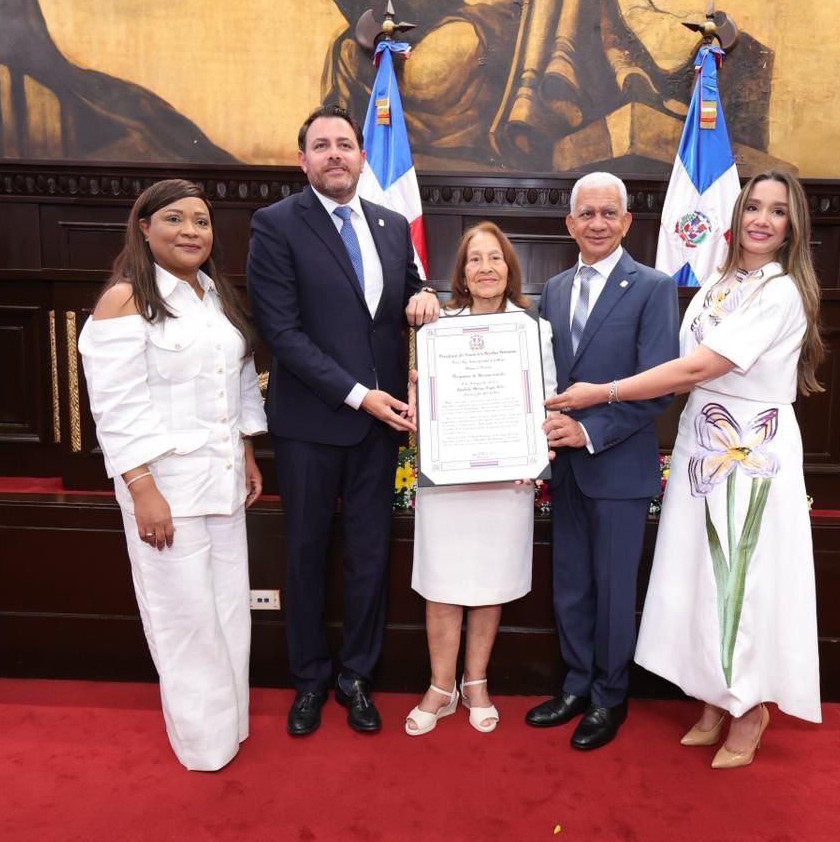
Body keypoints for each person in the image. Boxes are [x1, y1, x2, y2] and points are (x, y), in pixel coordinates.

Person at [545, 169, 826, 768]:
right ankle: (715, 698)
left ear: (791, 226)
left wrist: (602, 394)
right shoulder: (718, 284)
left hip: (750, 448)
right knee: (700, 575)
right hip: (703, 444)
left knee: (742, 581)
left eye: (777, 212)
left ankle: (749, 709)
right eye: (753, 206)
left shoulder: (779, 291)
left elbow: (693, 368)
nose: (761, 220)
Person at [245, 105, 441, 736]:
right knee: (304, 553)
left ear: (362, 157)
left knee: (368, 555)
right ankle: (308, 680)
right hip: (312, 424)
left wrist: (428, 293)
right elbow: (282, 332)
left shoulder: (389, 224)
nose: (335, 154)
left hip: (380, 430)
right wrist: (359, 394)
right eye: (321, 146)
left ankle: (356, 676)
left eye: (345, 145)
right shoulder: (275, 225)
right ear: (302, 160)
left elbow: (410, 289)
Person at [78, 179, 266, 772]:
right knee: (184, 619)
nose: (191, 231)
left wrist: (249, 452)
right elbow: (115, 404)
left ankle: (230, 725)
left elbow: (237, 380)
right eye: (176, 219)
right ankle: (203, 745)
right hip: (166, 491)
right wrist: (142, 489)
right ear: (145, 227)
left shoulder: (214, 295)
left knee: (229, 609)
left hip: (224, 483)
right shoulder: (125, 299)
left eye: (202, 221)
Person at [526, 172, 679, 750]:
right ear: (569, 223)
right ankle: (576, 683)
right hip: (567, 469)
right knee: (570, 585)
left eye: (607, 213)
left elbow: (657, 390)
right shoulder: (556, 290)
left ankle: (610, 698)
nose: (596, 223)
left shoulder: (653, 287)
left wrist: (586, 431)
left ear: (626, 222)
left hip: (617, 466)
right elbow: (545, 380)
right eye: (585, 213)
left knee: (614, 590)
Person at [406, 222, 557, 736]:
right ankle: (440, 686)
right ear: (463, 274)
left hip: (506, 479)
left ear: (509, 269)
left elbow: (548, 398)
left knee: (490, 582)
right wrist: (420, 386)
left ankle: (476, 683)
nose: (486, 268)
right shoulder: (437, 329)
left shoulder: (534, 330)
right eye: (475, 260)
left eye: (495, 258)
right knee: (443, 582)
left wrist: (532, 458)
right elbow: (420, 409)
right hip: (448, 478)